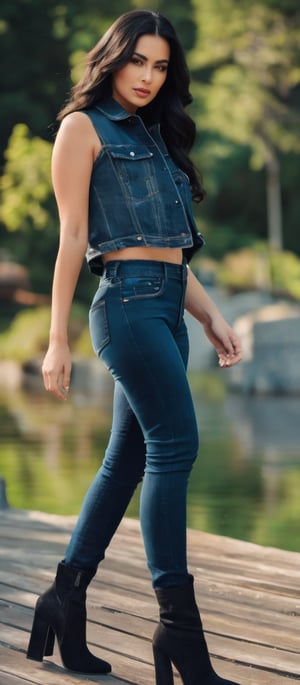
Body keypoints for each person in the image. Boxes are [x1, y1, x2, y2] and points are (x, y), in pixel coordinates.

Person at [26, 9, 242, 685]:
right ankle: (179, 630)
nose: (148, 76)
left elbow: (173, 251)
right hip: (125, 307)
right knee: (176, 445)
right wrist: (57, 339)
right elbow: (72, 239)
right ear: (112, 59)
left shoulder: (155, 135)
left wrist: (210, 316)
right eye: (136, 61)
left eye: (159, 65)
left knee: (127, 458)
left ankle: (65, 593)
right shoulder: (80, 129)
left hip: (171, 306)